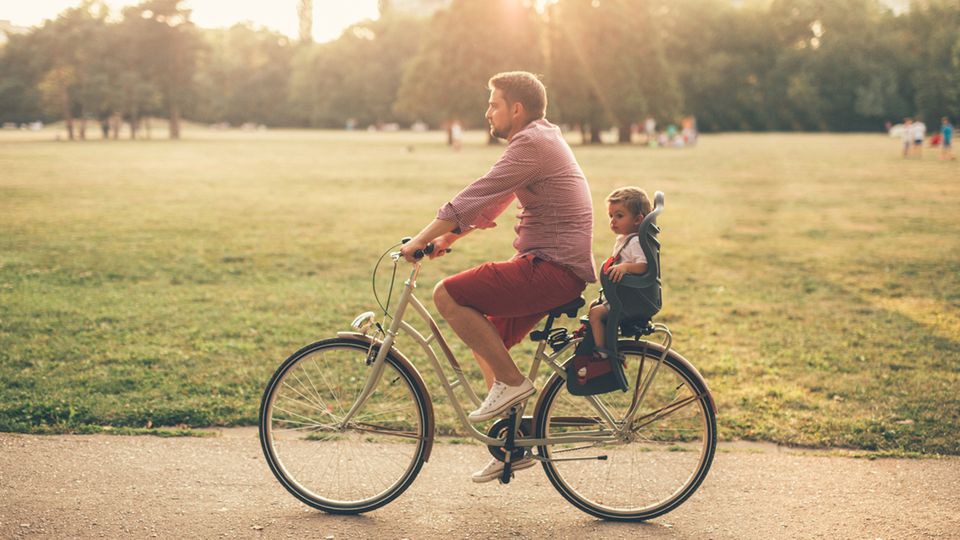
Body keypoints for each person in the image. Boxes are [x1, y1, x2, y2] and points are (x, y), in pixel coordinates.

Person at [399, 71, 597, 482]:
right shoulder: (540, 140)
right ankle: (508, 442)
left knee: (448, 296)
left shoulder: (532, 143)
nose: (487, 112)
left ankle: (512, 383)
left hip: (551, 269)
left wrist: (418, 240)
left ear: (516, 109)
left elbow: (477, 193)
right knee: (487, 339)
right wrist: (446, 240)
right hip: (555, 268)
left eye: (494, 104)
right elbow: (494, 201)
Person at [581, 188, 652, 366]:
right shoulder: (625, 238)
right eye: (611, 216)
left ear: (637, 219)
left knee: (596, 314)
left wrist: (626, 267)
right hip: (621, 294)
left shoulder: (635, 241)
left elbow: (644, 265)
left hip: (629, 299)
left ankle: (603, 353)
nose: (613, 221)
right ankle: (599, 338)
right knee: (594, 307)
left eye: (619, 216)